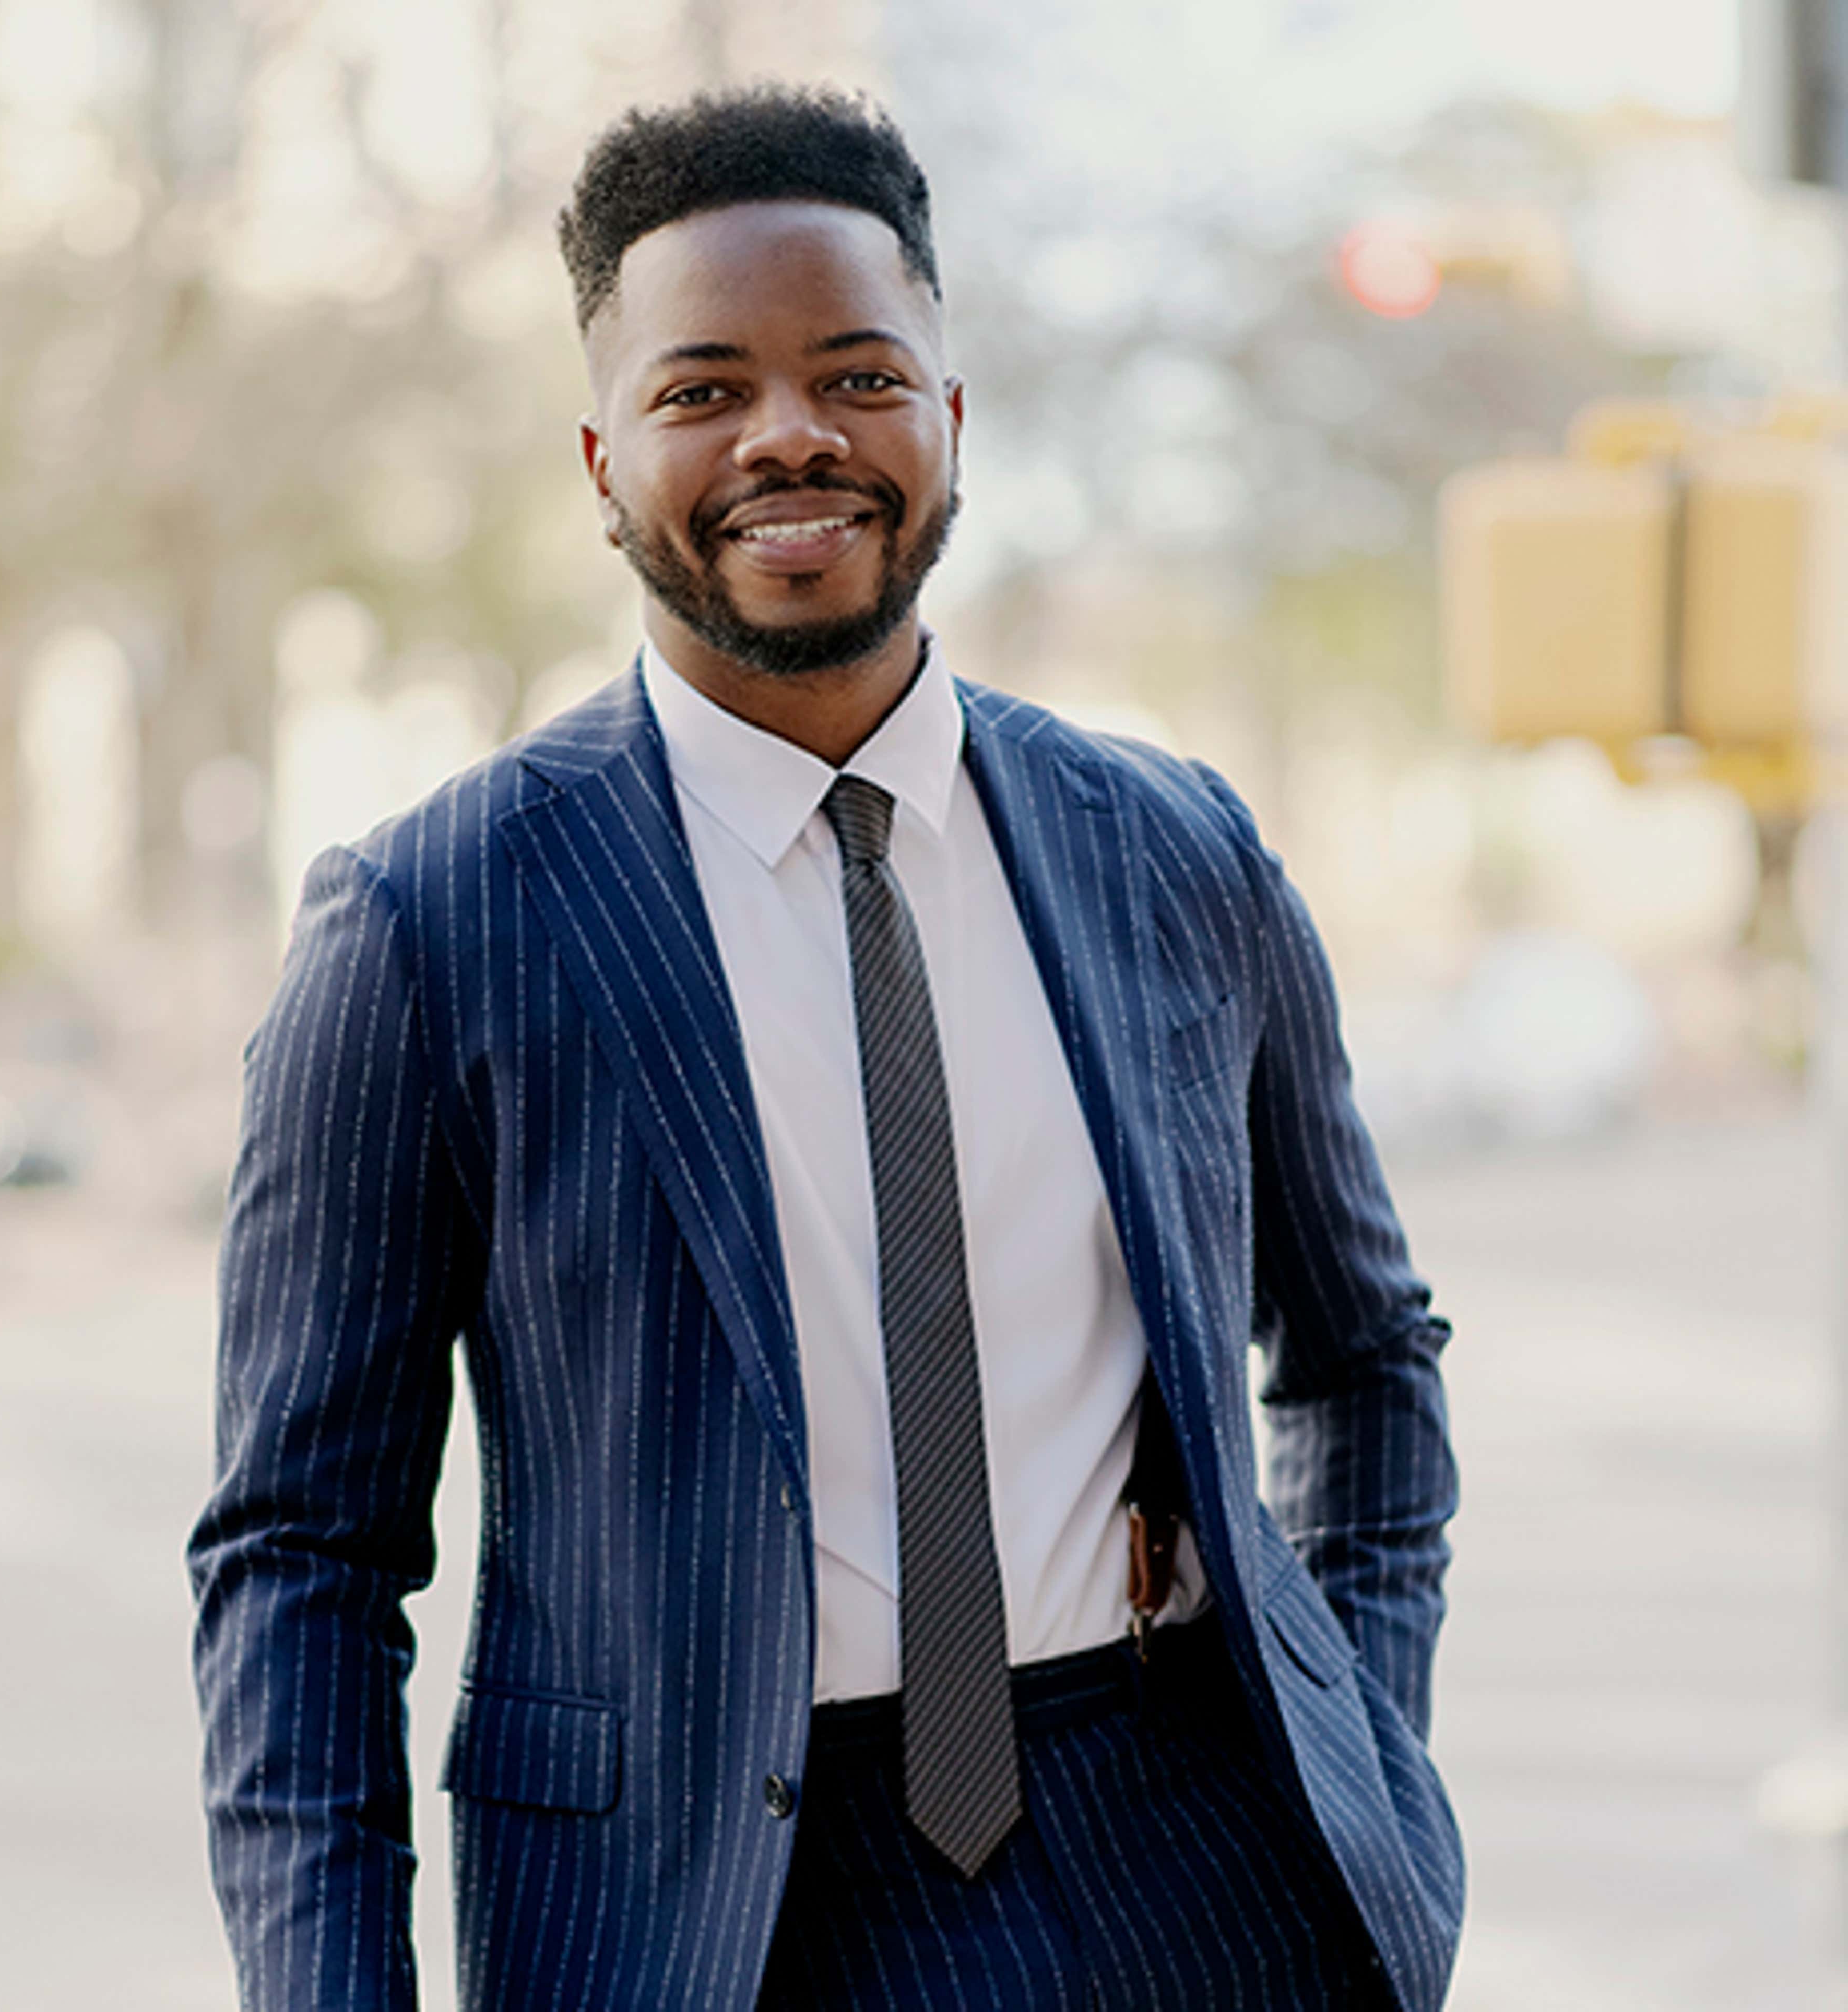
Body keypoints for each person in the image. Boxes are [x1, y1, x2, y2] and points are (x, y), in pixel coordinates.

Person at [189, 84, 1462, 2012]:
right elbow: (302, 1553)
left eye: (858, 373)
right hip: (704, 1920)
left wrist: (1369, 1745)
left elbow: (1362, 1355)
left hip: (1199, 1858)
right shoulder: (431, 925)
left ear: (949, 419)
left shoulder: (1176, 850)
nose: (792, 433)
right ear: (604, 461)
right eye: (705, 390)